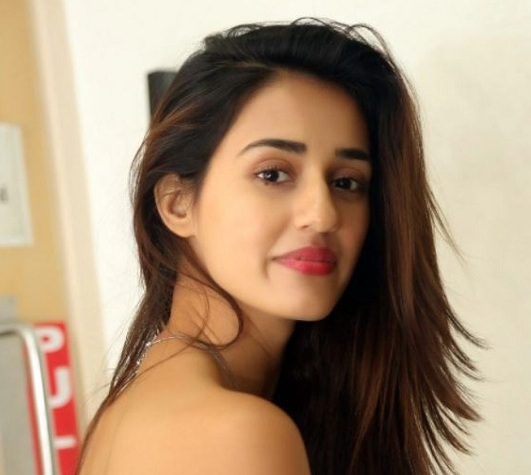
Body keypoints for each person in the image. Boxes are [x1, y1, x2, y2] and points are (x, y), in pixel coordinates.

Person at [77, 18, 480, 475]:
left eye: (347, 182)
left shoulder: (142, 405)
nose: (323, 214)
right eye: (273, 174)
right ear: (177, 203)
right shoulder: (232, 433)